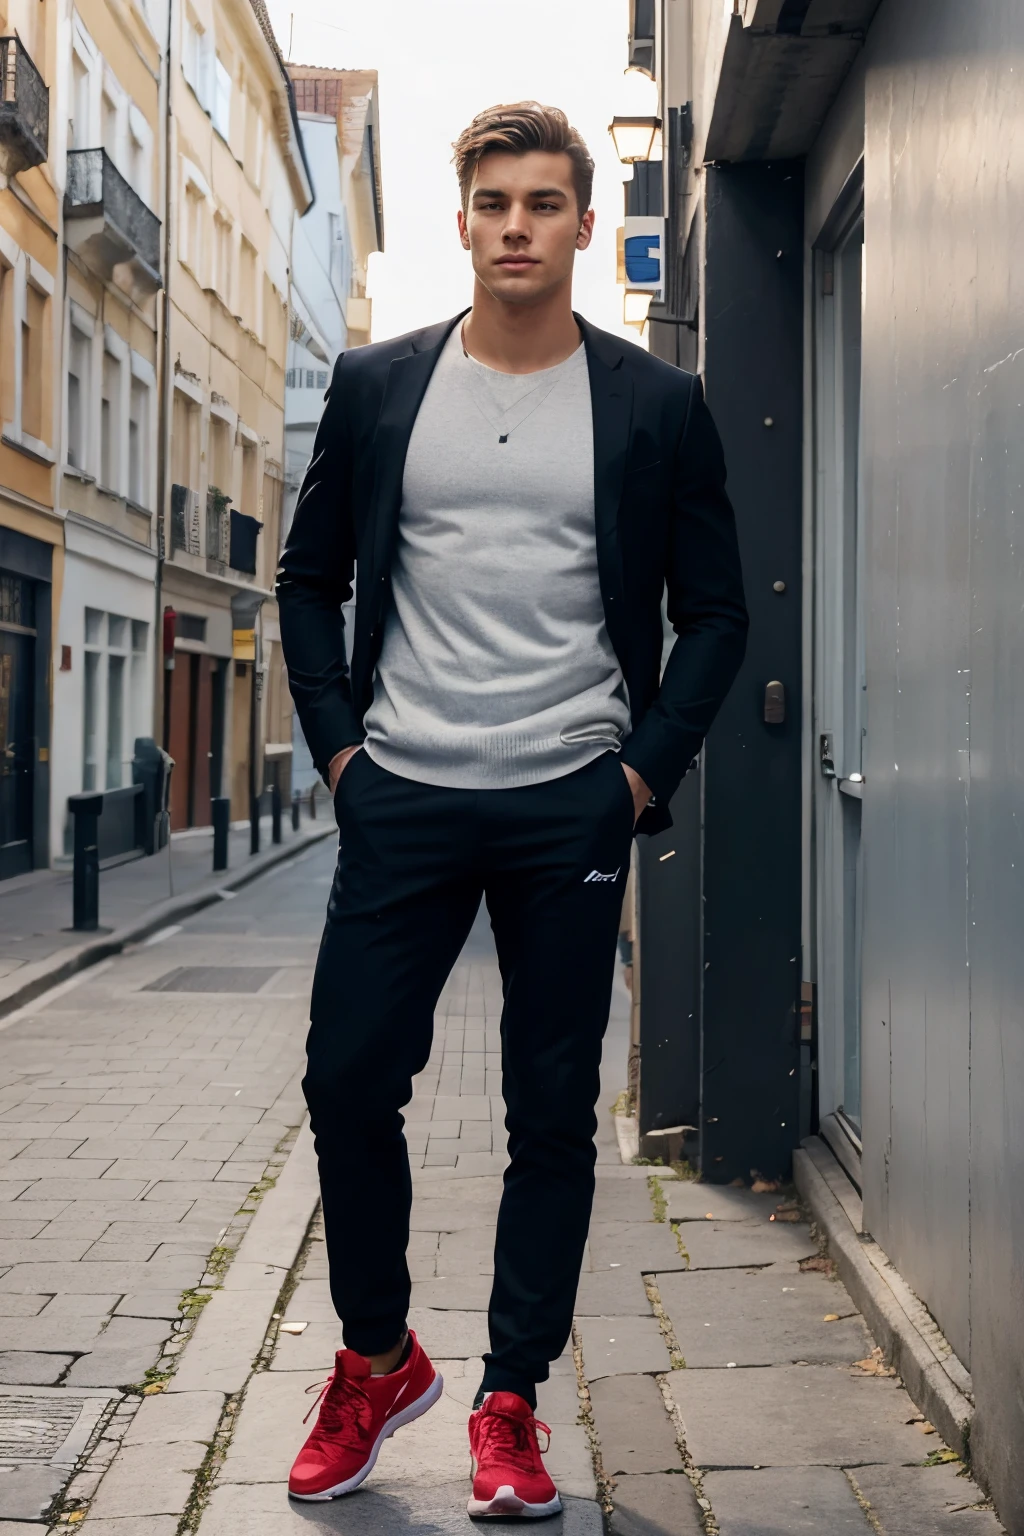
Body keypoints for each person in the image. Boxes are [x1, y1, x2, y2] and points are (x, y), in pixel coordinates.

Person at [276, 100, 747, 1519]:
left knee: (551, 1111)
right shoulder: (375, 386)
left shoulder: (655, 406)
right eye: (497, 203)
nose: (520, 226)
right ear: (465, 220)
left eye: (547, 203)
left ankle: (510, 1402)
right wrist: (345, 755)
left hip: (567, 801)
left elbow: (717, 616)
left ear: (585, 226)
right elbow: (307, 581)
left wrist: (639, 773)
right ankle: (375, 1361)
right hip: (405, 790)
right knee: (349, 1077)